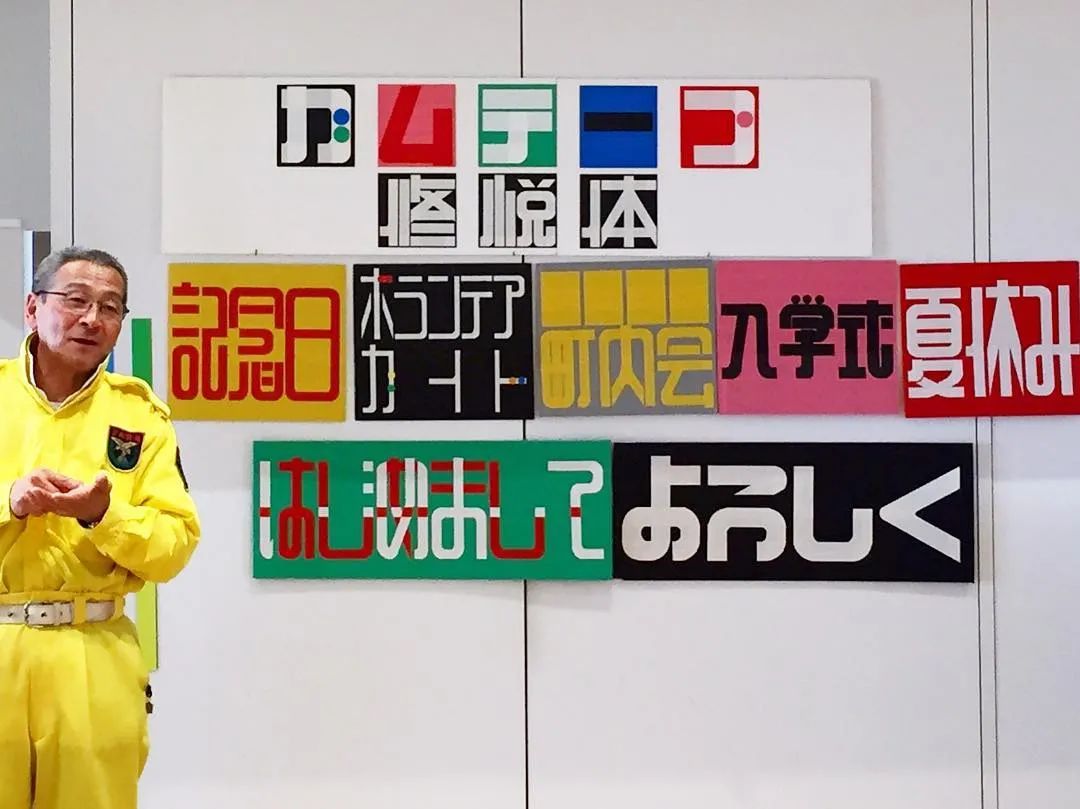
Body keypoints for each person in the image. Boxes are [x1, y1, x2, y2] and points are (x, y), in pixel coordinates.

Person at [0, 246, 201, 809]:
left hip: (92, 649)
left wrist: (101, 516)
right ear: (33, 308)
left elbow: (173, 544)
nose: (92, 318)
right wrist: (10, 501)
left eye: (110, 307)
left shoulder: (140, 416)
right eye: (75, 300)